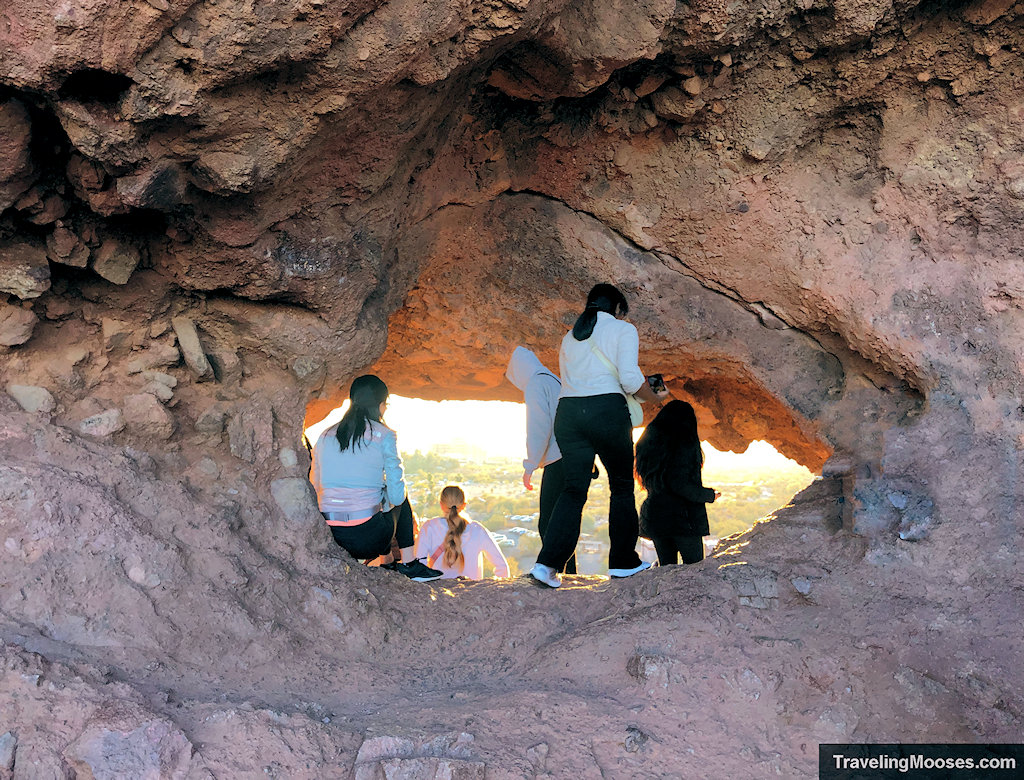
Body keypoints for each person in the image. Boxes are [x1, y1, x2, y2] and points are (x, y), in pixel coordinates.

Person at [530, 283, 668, 589]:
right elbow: (630, 379)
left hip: (568, 415)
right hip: (606, 412)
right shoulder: (623, 330)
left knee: (573, 491)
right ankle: (622, 562)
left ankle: (547, 565)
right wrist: (656, 396)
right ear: (617, 309)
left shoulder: (569, 337)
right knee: (621, 488)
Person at [310, 375, 443, 582]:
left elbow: (314, 486)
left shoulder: (325, 436)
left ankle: (387, 562)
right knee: (400, 497)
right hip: (368, 539)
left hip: (333, 537)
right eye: (386, 404)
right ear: (380, 405)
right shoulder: (384, 435)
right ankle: (409, 565)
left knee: (378, 503)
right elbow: (397, 497)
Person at [505, 346, 576, 574]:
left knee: (548, 522)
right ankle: (568, 571)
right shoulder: (553, 379)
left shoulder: (536, 383)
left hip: (557, 460)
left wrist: (530, 465)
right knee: (564, 519)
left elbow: (538, 427)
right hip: (572, 456)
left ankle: (552, 570)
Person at [635, 400, 721, 566]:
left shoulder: (647, 444)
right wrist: (710, 495)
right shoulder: (684, 444)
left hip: (656, 515)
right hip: (683, 519)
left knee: (666, 569)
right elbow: (679, 484)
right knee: (695, 570)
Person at [415, 485, 510, 580]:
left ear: (441, 505)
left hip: (438, 591)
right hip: (472, 592)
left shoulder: (429, 528)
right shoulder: (477, 530)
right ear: (464, 505)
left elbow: (419, 565)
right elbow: (502, 567)